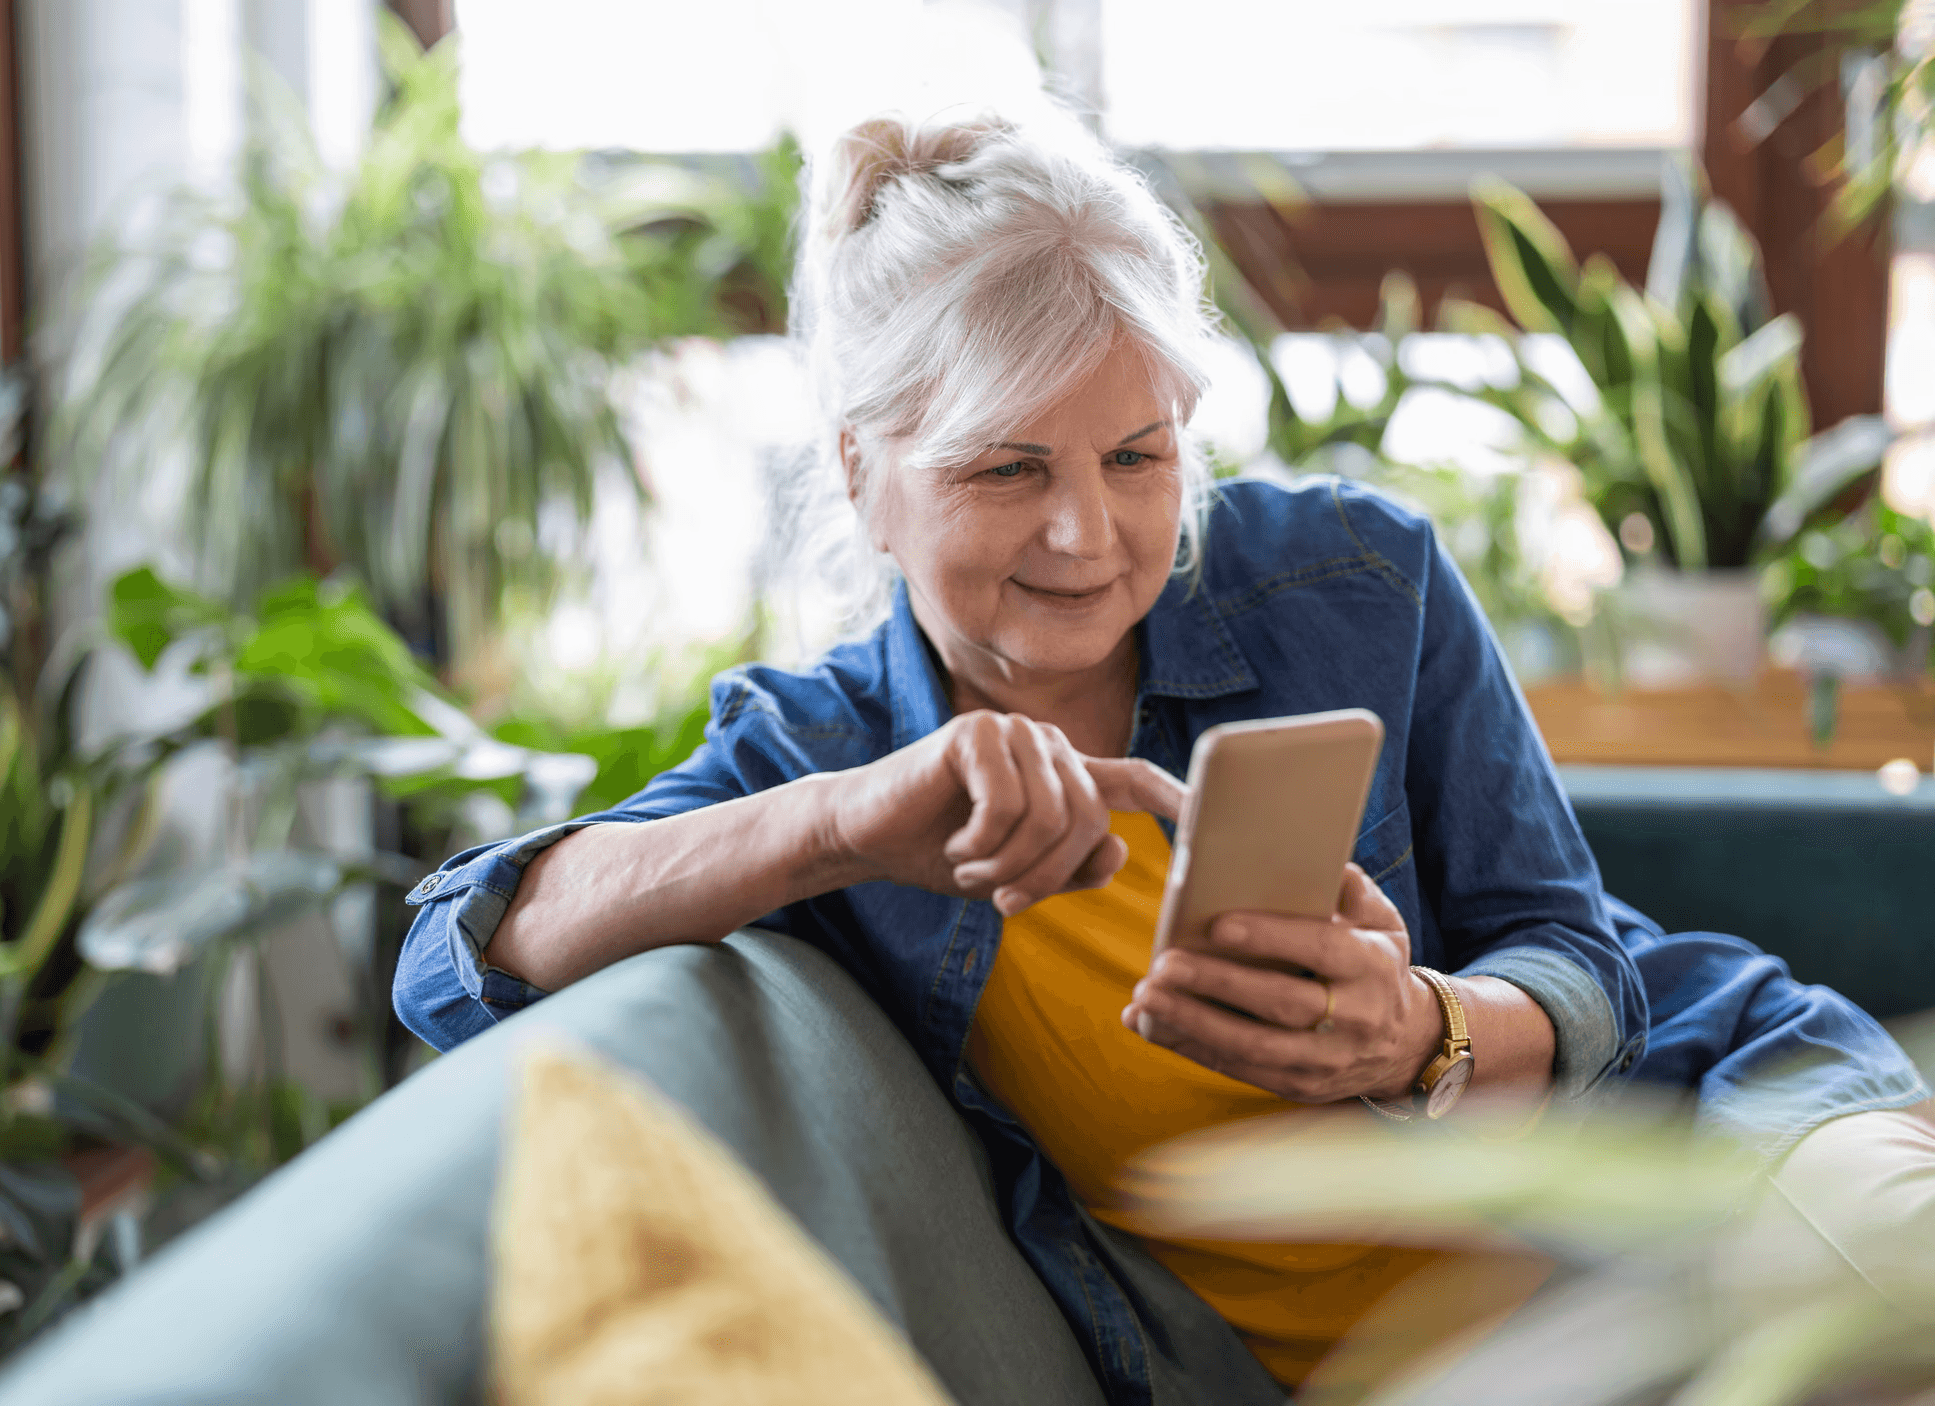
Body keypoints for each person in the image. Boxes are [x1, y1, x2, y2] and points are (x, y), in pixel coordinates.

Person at [393, 112, 1932, 1401]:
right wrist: (846, 823)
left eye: (1139, 455)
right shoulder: (830, 756)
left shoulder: (1348, 579)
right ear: (863, 473)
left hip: (1705, 1127)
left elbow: (1586, 961)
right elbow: (457, 956)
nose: (1091, 533)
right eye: (1008, 466)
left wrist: (1422, 1033)